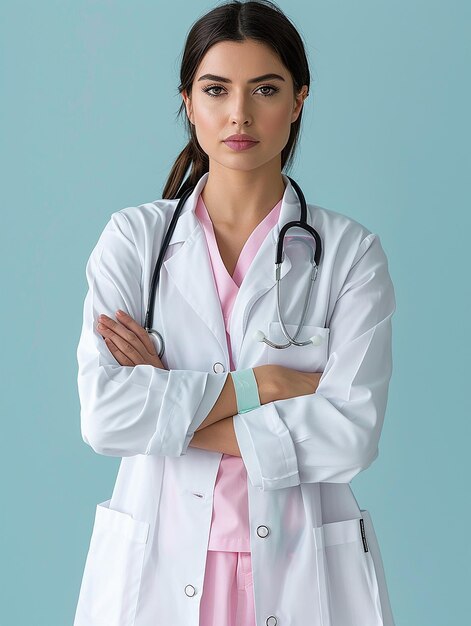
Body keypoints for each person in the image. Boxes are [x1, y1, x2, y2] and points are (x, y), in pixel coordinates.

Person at [73, 1, 397, 625]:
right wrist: (261, 386)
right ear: (189, 101)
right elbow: (106, 415)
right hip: (158, 564)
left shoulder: (350, 254)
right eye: (216, 89)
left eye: (265, 89)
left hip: (302, 565)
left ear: (299, 99)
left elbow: (350, 436)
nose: (239, 114)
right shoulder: (134, 242)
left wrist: (168, 410)